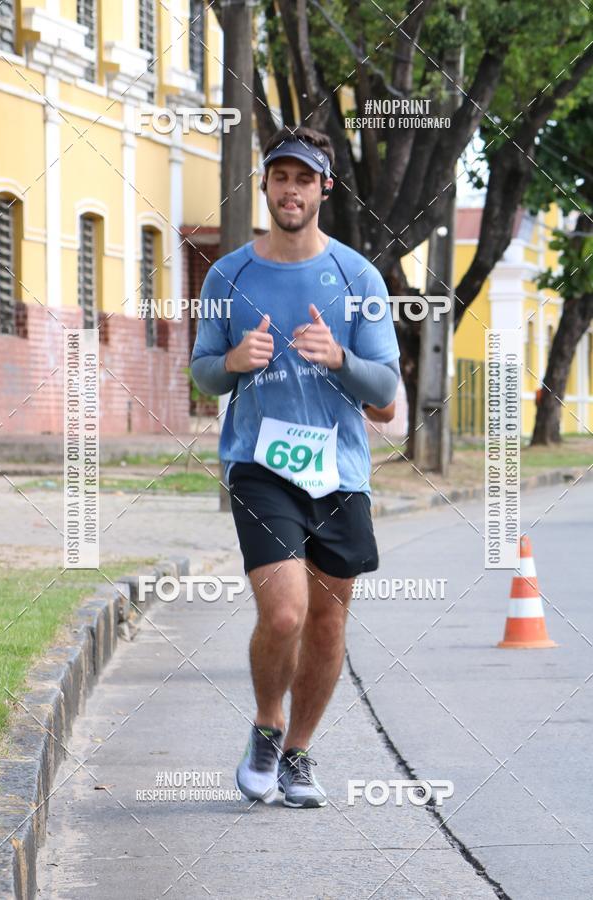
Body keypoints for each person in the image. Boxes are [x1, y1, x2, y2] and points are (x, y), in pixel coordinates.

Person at [190, 126, 400, 809]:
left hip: (339, 473)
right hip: (260, 466)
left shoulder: (357, 278)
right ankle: (266, 726)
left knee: (328, 622)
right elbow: (202, 377)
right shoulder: (229, 275)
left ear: (323, 190)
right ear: (266, 186)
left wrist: (338, 358)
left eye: (304, 179)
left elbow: (386, 395)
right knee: (284, 615)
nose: (291, 189)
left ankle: (299, 752)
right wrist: (231, 363)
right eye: (280, 177)